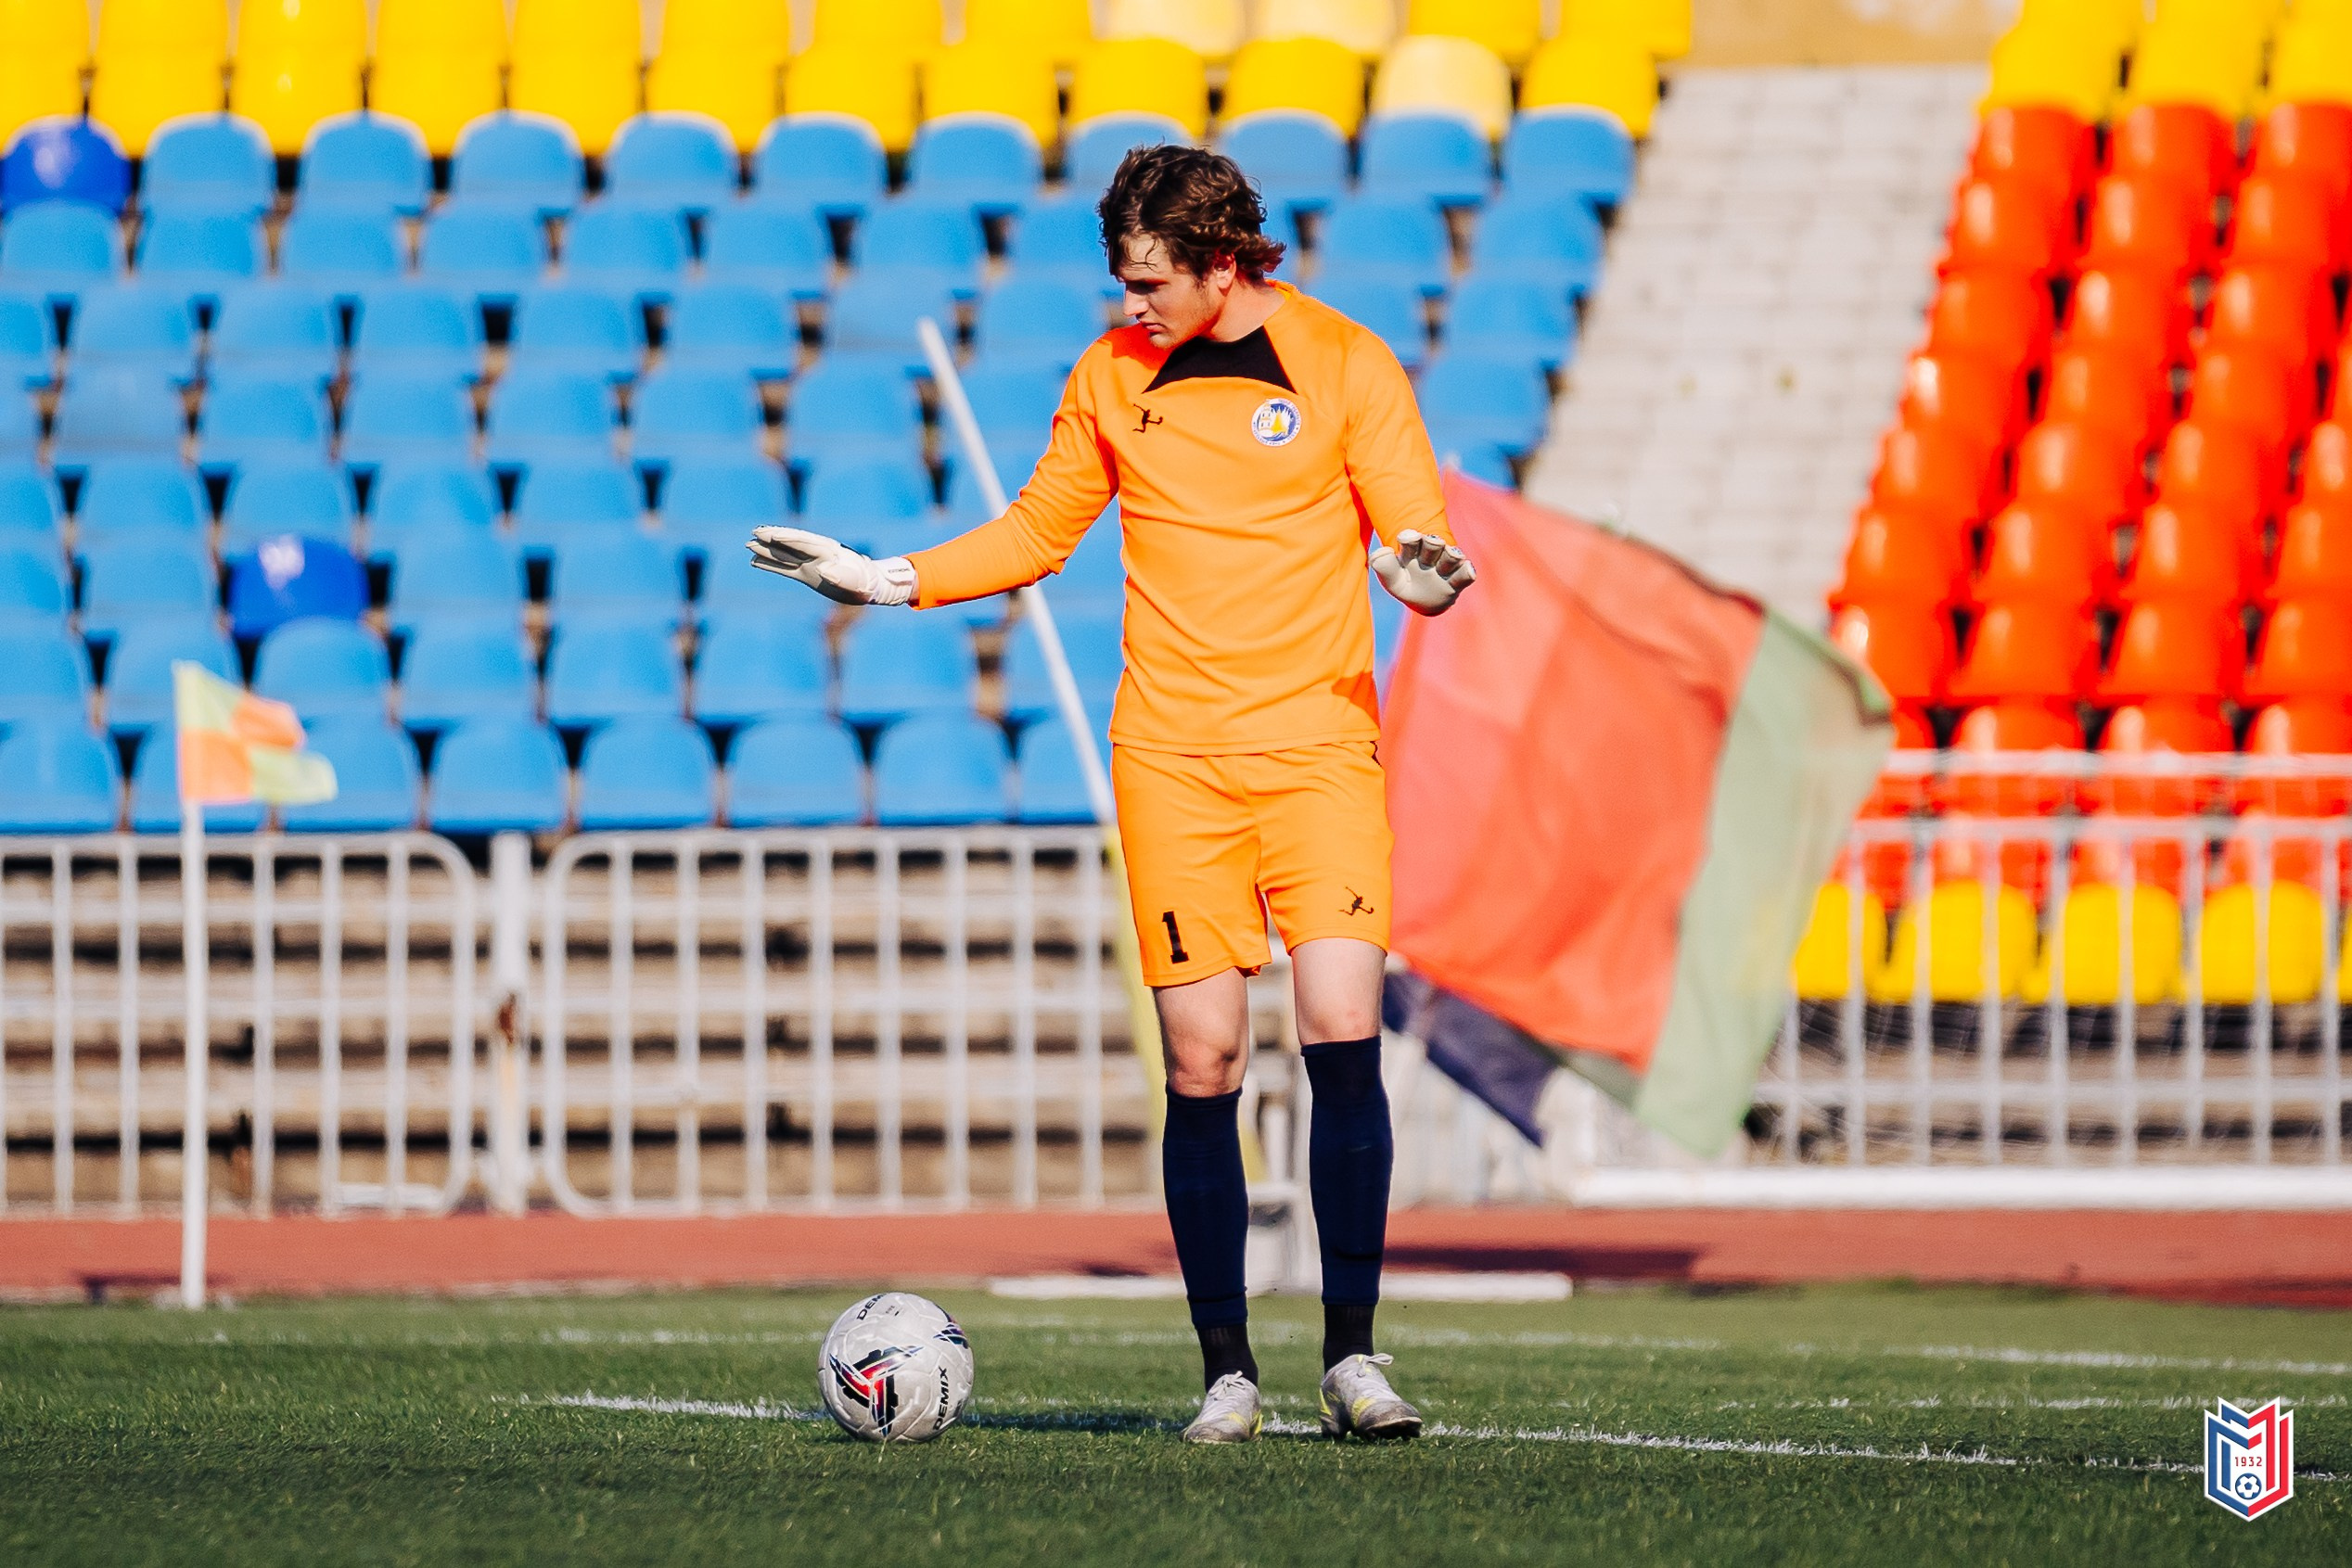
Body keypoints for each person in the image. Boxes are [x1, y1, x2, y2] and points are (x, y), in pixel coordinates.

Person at [748, 147, 1476, 1444]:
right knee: (1204, 1062)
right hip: (1173, 761)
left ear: (1219, 262)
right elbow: (1037, 530)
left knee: (1338, 1023)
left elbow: (1411, 540)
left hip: (1317, 751)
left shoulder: (1350, 363)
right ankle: (1227, 1375)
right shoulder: (1110, 375)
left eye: (1149, 280)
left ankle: (1354, 1361)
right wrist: (885, 579)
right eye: (1122, 279)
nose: (1131, 302)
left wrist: (1420, 581)